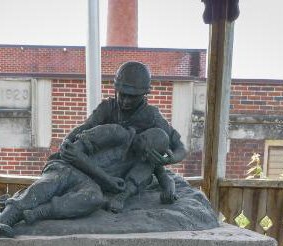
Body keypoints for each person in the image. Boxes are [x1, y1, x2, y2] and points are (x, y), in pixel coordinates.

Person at [0, 124, 174, 238]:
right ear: (143, 138)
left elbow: (164, 177)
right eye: (146, 150)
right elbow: (73, 153)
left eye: (149, 156)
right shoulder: (116, 132)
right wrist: (107, 179)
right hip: (68, 167)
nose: (144, 157)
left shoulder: (144, 160)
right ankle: (4, 219)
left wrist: (169, 191)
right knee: (50, 184)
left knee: (94, 198)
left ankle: (37, 213)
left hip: (90, 184)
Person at [58, 61, 187, 173]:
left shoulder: (152, 115)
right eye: (122, 95)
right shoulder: (107, 107)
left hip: (130, 170)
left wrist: (170, 159)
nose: (126, 101)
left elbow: (180, 147)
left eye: (132, 97)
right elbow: (85, 127)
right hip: (99, 164)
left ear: (144, 94)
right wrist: (66, 141)